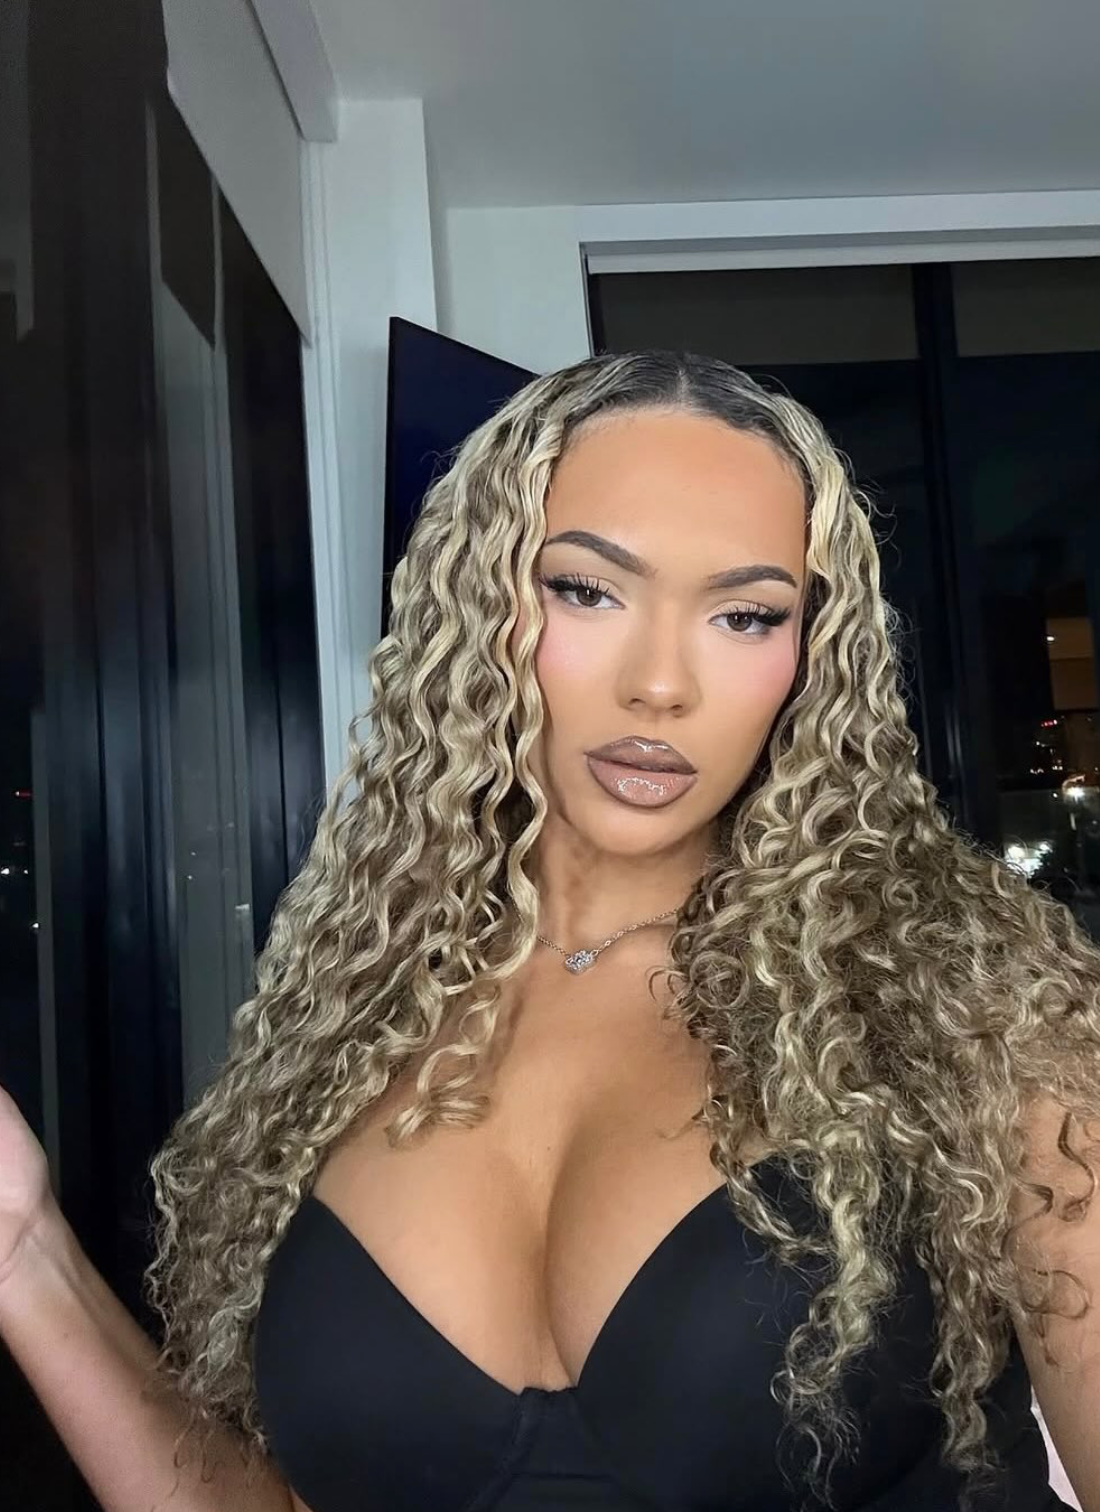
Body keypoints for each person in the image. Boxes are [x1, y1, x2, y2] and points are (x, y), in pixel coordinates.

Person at [1, 350, 1098, 1512]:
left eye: (743, 614)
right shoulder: (355, 1019)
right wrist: (25, 1252)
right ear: (479, 612)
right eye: (585, 590)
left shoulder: (976, 1010)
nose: (659, 684)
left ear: (810, 656)